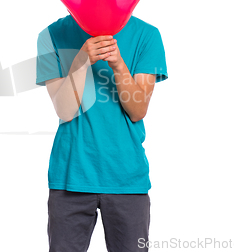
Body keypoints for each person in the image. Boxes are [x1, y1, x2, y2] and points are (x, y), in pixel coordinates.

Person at [36, 13, 168, 252]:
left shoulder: (147, 35)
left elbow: (137, 110)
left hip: (127, 177)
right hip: (70, 176)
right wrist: (81, 61)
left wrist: (118, 64)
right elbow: (65, 110)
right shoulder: (51, 35)